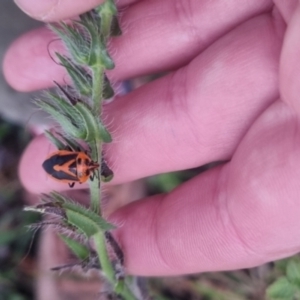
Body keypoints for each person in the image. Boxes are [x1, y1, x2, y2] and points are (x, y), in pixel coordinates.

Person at [3, 0, 300, 277]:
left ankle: (65, 115)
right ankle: (107, 97)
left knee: (19, 88)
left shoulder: (84, 159)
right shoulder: (83, 160)